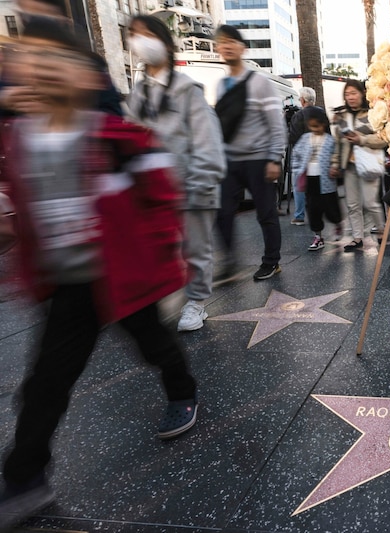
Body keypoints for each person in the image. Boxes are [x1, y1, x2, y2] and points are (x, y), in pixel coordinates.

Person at [0, 19, 198, 529]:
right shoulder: (18, 138)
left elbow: (163, 197)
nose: (40, 69)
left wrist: (163, 264)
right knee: (46, 382)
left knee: (154, 344)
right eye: (29, 58)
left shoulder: (114, 135)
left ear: (87, 76)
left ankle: (182, 390)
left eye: (54, 59)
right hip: (69, 286)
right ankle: (24, 479)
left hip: (124, 279)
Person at [126, 15, 226, 332]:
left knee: (196, 249)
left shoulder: (188, 91)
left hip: (190, 186)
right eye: (133, 35)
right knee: (153, 251)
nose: (139, 41)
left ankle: (196, 303)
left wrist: (199, 184)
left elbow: (207, 144)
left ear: (165, 44)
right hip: (151, 193)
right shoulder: (137, 94)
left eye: (146, 35)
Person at [214, 25, 287, 281]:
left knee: (265, 212)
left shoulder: (259, 82)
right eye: (221, 42)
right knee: (222, 212)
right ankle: (229, 262)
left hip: (258, 158)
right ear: (217, 48)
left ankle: (271, 261)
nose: (226, 46)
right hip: (229, 160)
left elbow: (275, 122)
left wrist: (273, 157)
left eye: (232, 41)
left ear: (242, 47)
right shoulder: (222, 85)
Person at [330, 79, 387, 252]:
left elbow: (383, 139)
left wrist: (361, 139)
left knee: (371, 203)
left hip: (368, 164)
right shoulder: (341, 117)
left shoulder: (373, 114)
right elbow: (338, 143)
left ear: (362, 93)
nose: (350, 97)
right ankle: (357, 238)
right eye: (347, 94)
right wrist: (335, 163)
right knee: (352, 205)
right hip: (349, 167)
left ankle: (382, 232)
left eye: (354, 93)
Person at [290, 106, 341, 251]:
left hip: (326, 180)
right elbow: (296, 154)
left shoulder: (330, 140)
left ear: (323, 124)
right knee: (313, 208)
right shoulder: (305, 139)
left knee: (330, 207)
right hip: (310, 179)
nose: (314, 129)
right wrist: (297, 170)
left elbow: (336, 156)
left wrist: (335, 166)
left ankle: (337, 222)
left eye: (317, 126)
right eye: (311, 126)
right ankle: (318, 236)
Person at [287, 86, 319, 226]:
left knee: (299, 186)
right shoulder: (321, 113)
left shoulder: (298, 116)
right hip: (318, 155)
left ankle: (299, 215)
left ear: (302, 100)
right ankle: (317, 214)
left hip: (301, 156)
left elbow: (293, 137)